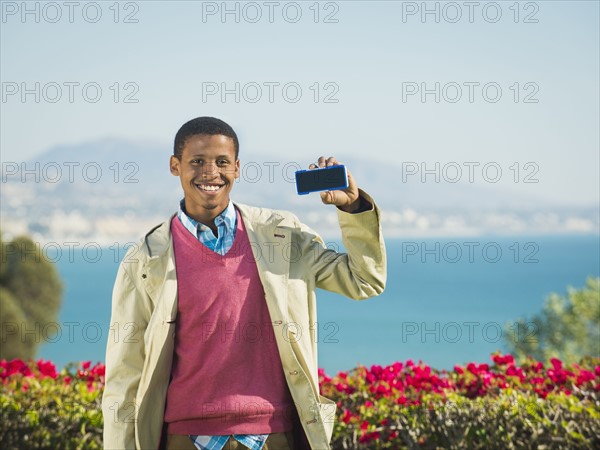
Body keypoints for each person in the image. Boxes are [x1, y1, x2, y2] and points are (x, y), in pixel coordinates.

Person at [101, 116, 387, 450]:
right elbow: (125, 375)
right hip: (185, 440)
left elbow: (364, 280)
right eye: (197, 162)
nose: (211, 172)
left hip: (273, 437)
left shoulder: (281, 234)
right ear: (175, 166)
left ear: (236, 168)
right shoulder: (145, 259)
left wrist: (353, 209)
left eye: (222, 162)